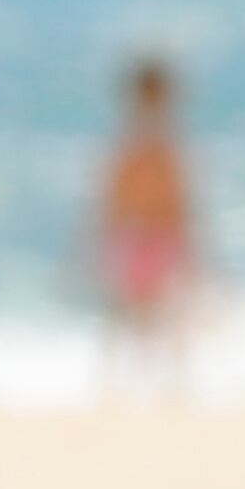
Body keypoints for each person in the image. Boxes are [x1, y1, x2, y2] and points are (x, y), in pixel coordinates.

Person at [95, 56, 196, 385]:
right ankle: (126, 381)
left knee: (151, 315)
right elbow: (117, 197)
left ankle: (158, 381)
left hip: (149, 237)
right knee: (136, 315)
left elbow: (176, 202)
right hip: (144, 237)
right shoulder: (149, 144)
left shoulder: (150, 144)